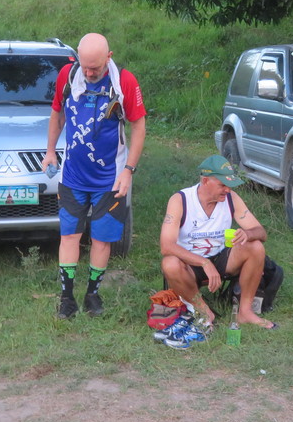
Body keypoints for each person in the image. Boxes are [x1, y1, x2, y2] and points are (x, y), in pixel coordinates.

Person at [43, 33, 147, 319]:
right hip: (72, 176)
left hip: (110, 179)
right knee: (69, 236)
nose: (89, 73)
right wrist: (50, 151)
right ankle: (66, 298)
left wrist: (129, 170)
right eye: (85, 67)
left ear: (108, 58)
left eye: (96, 68)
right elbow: (57, 114)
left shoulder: (124, 81)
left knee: (102, 239)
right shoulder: (67, 75)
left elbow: (139, 127)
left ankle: (92, 294)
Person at [160, 155, 277, 329]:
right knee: (169, 263)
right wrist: (204, 262)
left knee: (256, 247)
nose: (227, 190)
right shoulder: (180, 200)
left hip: (222, 257)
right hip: (190, 263)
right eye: (222, 185)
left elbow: (261, 232)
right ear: (205, 181)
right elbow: (166, 246)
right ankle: (203, 311)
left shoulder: (231, 198)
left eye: (229, 185)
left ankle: (245, 312)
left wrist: (247, 233)